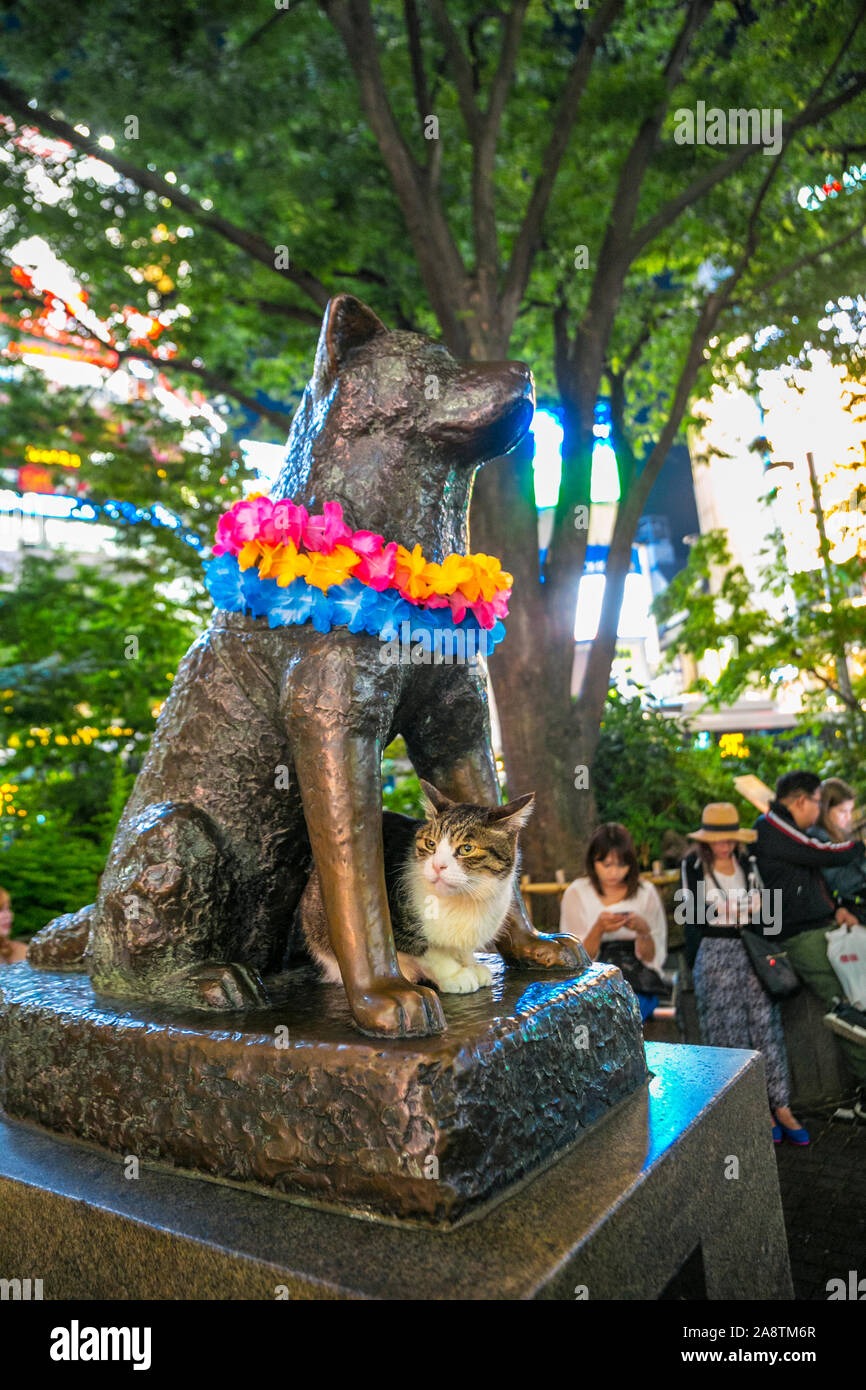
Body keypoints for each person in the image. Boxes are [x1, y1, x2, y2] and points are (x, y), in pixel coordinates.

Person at [681, 802, 806, 1145]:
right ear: (706, 839)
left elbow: (768, 905)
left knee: (766, 1024)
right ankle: (751, 1108)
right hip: (715, 952)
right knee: (727, 1029)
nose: (724, 846)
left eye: (729, 839)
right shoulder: (693, 865)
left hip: (752, 948)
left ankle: (781, 1105)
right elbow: (692, 914)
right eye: (717, 840)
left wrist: (745, 909)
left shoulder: (749, 861)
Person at [754, 769, 866, 1121]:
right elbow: (818, 852)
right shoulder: (772, 825)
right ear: (802, 799)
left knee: (852, 1003)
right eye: (818, 802)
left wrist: (842, 908)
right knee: (847, 1008)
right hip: (804, 937)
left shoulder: (782, 826)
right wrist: (858, 846)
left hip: (822, 929)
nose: (819, 810)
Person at [560, 823, 667, 1021]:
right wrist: (598, 929)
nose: (614, 872)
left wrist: (644, 931)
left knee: (629, 1010)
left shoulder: (645, 892)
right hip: (591, 980)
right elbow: (573, 960)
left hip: (638, 979)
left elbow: (654, 957)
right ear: (593, 862)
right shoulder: (576, 892)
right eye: (606, 864)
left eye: (621, 864)